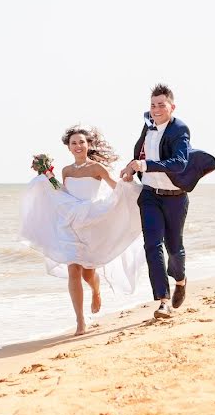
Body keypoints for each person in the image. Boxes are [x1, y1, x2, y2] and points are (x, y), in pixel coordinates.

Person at [20, 125, 145, 335]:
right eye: (74, 143)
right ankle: (80, 321)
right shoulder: (66, 171)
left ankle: (96, 289)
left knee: (88, 273)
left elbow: (115, 187)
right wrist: (48, 177)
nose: (78, 146)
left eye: (81, 142)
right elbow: (64, 193)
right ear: (69, 148)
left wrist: (129, 189)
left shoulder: (96, 168)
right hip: (70, 223)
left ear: (88, 145)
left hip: (91, 222)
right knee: (73, 269)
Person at [120, 84, 215, 319]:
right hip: (150, 195)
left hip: (175, 198)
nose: (156, 109)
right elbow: (141, 154)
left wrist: (146, 165)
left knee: (174, 248)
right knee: (152, 246)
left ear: (172, 106)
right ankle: (163, 300)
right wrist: (131, 167)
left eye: (161, 105)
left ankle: (181, 281)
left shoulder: (179, 129)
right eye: (152, 105)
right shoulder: (148, 126)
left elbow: (179, 163)